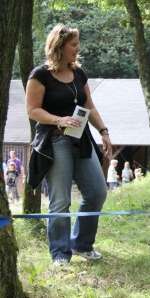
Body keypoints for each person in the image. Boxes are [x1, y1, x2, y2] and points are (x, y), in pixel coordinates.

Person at [26, 23, 111, 267]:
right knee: (60, 200)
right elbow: (32, 110)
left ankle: (82, 244)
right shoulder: (40, 75)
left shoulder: (79, 74)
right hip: (55, 141)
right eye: (73, 44)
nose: (78, 48)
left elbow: (90, 107)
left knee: (97, 192)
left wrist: (103, 131)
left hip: (81, 140)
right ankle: (61, 255)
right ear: (59, 47)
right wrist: (58, 119)